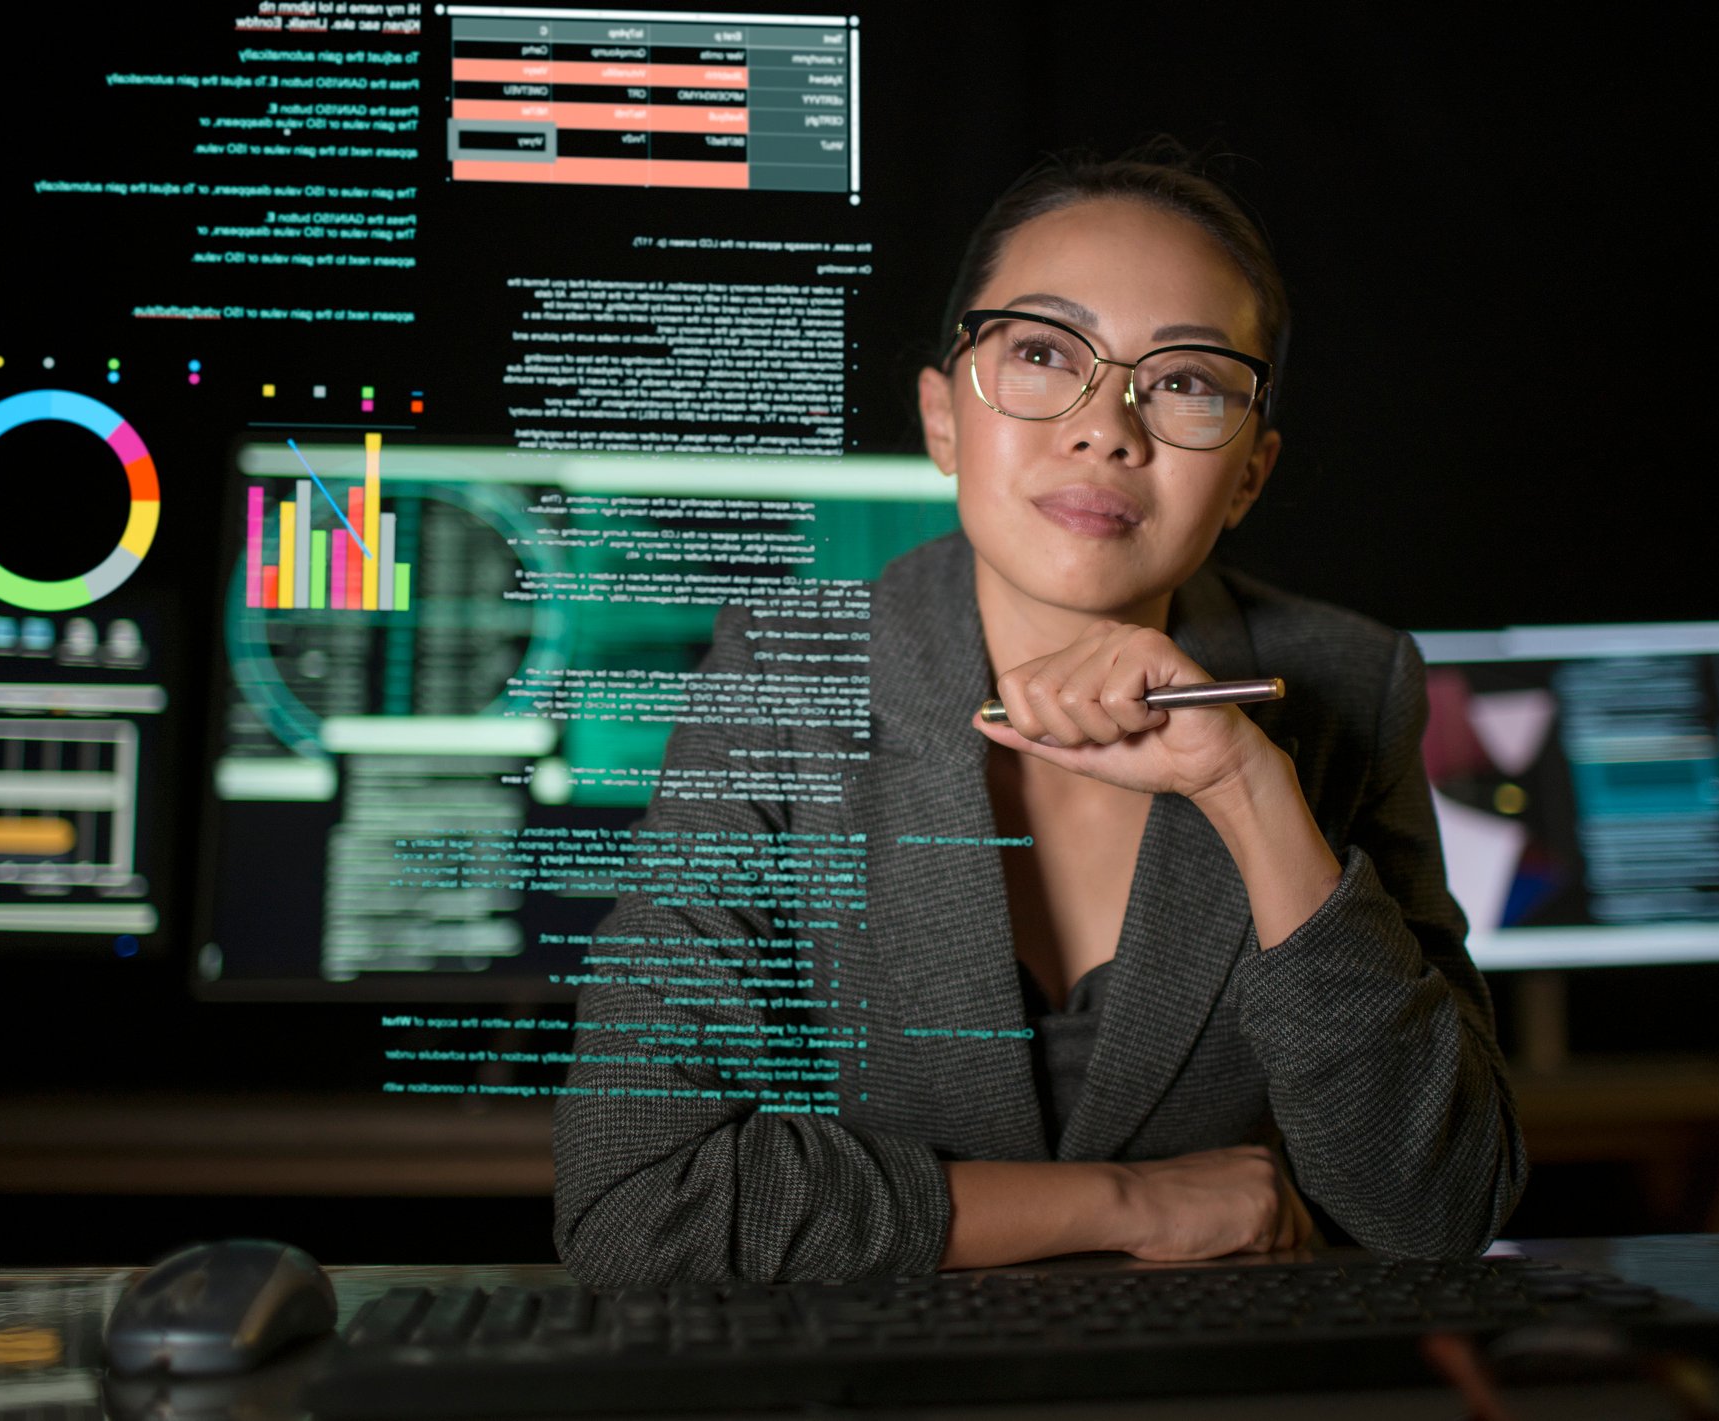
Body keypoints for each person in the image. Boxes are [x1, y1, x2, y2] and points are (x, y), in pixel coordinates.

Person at [551, 148, 1527, 1284]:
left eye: (1186, 380)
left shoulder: (1351, 683)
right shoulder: (784, 673)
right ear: (942, 420)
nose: (1107, 427)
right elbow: (631, 1199)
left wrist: (1252, 794)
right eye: (1041, 352)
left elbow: (1437, 1208)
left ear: (1249, 477)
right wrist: (1129, 1205)